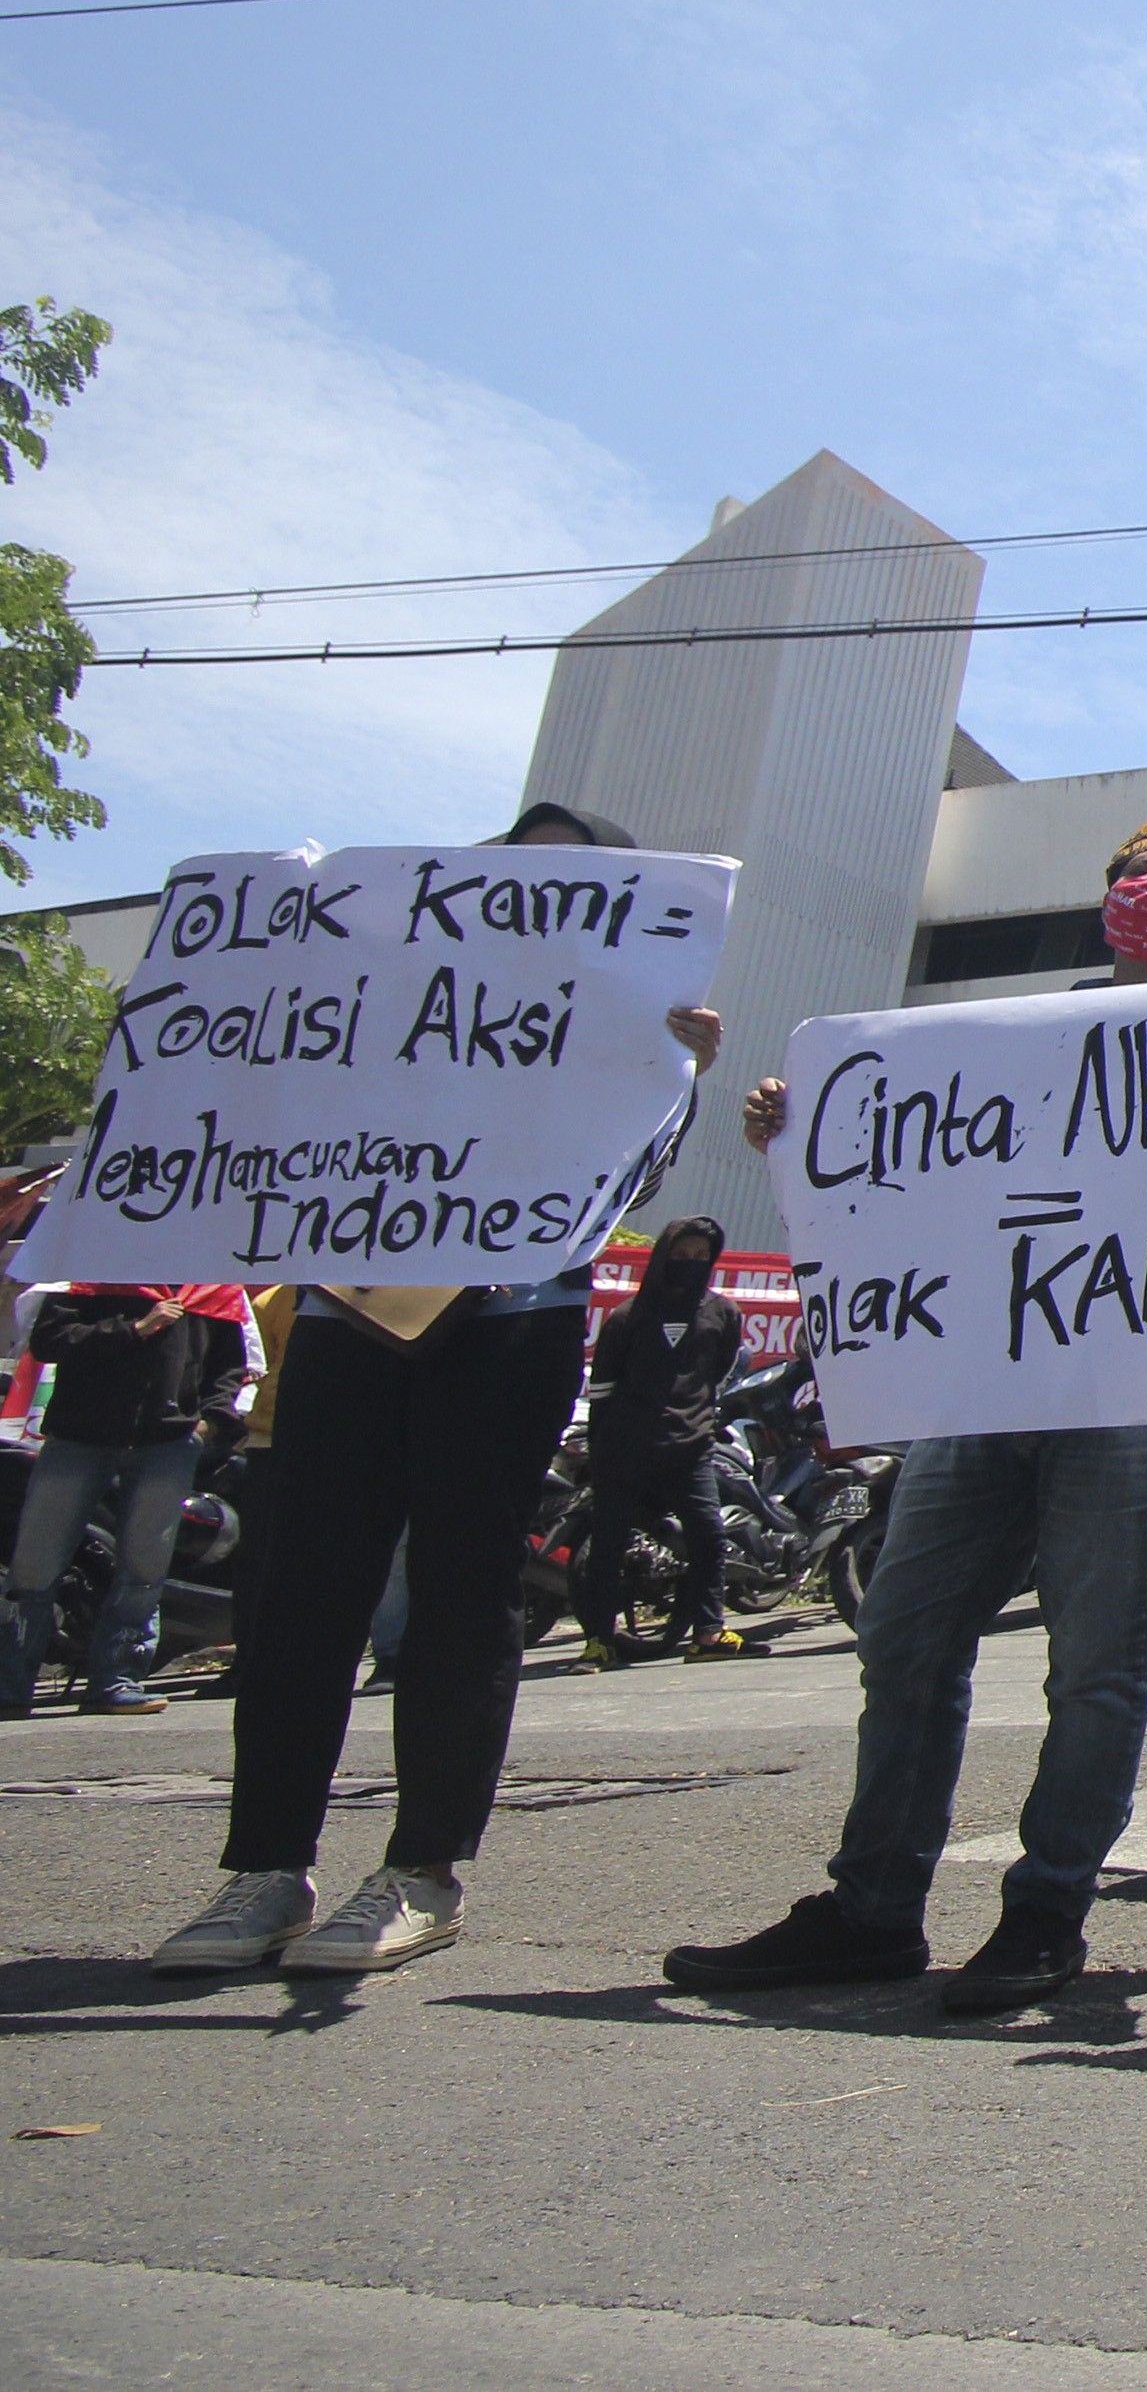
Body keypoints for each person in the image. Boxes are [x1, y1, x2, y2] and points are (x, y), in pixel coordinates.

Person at [663, 821, 1147, 2018]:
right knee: (903, 1639)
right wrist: (801, 1134)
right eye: (1126, 877)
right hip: (983, 1390)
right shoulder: (999, 1048)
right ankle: (874, 1910)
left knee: (1094, 1668)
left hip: (1131, 1401)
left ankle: (1045, 1911)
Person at [150, 800, 725, 1978]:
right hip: (347, 1320)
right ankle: (266, 1871)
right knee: (303, 1588)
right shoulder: (382, 1000)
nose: (535, 895)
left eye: (570, 882)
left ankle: (422, 1871)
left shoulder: (636, 1032)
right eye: (516, 874)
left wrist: (670, 1072)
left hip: (513, 1328)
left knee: (465, 1591)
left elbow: (628, 1178)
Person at [5, 1283, 242, 1716]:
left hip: (167, 1444)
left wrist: (209, 1422)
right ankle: (10, 1686)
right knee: (34, 1566)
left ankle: (117, 1680)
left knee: (144, 1568)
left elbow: (229, 1366)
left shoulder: (212, 1289)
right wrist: (134, 1328)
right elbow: (48, 1341)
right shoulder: (92, 1276)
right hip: (79, 1438)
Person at [570, 1216, 756, 1668]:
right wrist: (598, 1453)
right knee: (608, 1547)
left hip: (690, 1448)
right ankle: (598, 1642)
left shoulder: (722, 1313)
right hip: (626, 1449)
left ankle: (709, 1634)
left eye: (700, 1257)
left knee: (709, 1538)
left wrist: (701, 1420)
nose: (690, 1263)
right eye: (681, 1254)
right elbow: (603, 1390)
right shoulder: (627, 1317)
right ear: (662, 1256)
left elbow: (719, 1372)